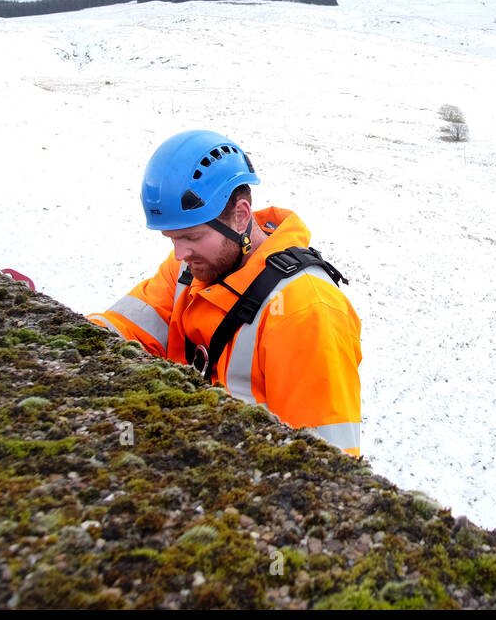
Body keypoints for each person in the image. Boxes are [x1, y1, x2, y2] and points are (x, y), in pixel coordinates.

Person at [88, 130, 362, 456]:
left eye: (192, 236)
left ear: (241, 216)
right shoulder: (191, 270)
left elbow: (324, 465)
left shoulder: (306, 311)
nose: (179, 254)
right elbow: (120, 330)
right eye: (171, 239)